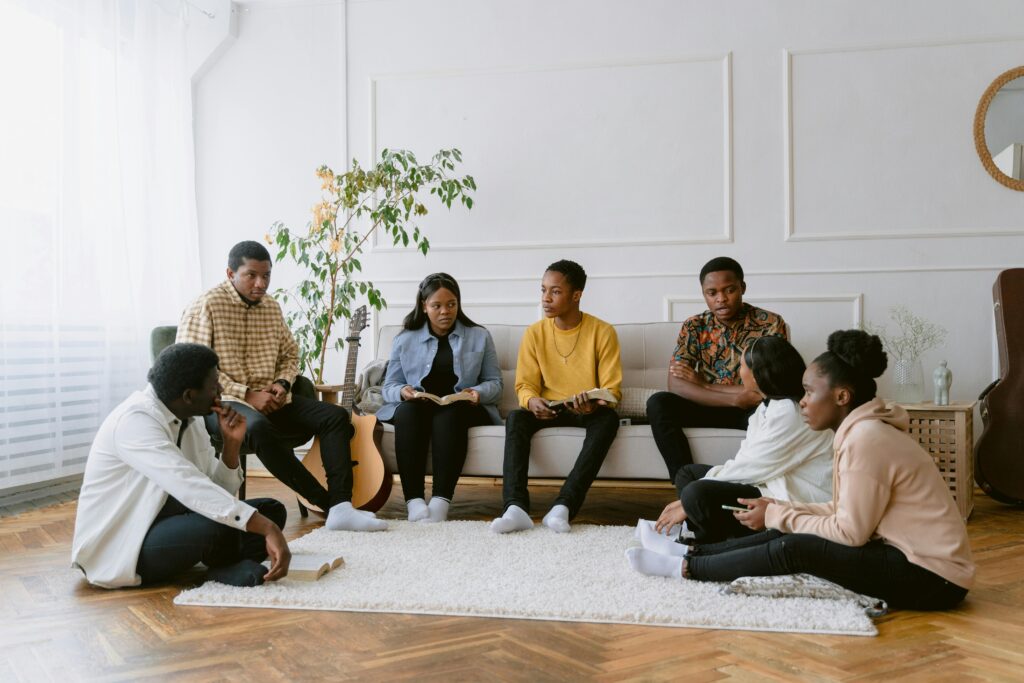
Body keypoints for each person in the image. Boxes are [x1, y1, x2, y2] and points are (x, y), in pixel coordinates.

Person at [627, 330, 976, 611]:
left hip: (933, 578)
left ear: (841, 397)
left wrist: (782, 515)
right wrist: (780, 512)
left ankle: (687, 568)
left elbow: (850, 532)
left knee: (795, 547)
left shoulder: (867, 438)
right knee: (785, 526)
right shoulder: (859, 431)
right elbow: (844, 513)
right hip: (900, 552)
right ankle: (692, 553)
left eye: (809, 392)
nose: (803, 401)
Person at [177, 240, 385, 532]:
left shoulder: (271, 308)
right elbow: (193, 368)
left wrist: (282, 384)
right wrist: (247, 395)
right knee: (258, 427)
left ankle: (341, 505)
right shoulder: (206, 305)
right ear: (230, 273)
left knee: (336, 416)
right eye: (251, 275)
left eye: (266, 276)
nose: (261, 283)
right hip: (222, 404)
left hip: (272, 399)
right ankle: (328, 504)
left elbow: (290, 353)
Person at [71, 343, 291, 588]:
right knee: (223, 523)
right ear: (189, 395)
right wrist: (266, 528)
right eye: (214, 384)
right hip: (127, 543)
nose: (220, 390)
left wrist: (231, 446)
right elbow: (191, 488)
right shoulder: (135, 422)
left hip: (174, 521)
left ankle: (222, 565)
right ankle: (223, 566)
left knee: (271, 510)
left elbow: (217, 493)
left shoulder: (190, 419)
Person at [637, 336, 833, 551]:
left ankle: (710, 543)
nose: (739, 372)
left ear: (757, 375)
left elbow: (750, 468)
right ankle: (710, 537)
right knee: (688, 474)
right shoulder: (767, 408)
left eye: (741, 366)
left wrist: (687, 500)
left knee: (696, 492)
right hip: (766, 481)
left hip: (789, 496)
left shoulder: (790, 412)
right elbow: (745, 460)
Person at [491, 260, 622, 534]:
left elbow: (612, 390)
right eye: (543, 290)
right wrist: (532, 401)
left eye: (555, 292)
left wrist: (593, 403)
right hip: (547, 409)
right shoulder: (534, 333)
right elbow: (524, 385)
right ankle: (515, 508)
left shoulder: (603, 332)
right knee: (516, 417)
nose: (545, 299)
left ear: (577, 295)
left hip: (586, 410)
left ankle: (563, 507)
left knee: (608, 419)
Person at [646, 257, 789, 491]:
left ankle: (755, 490)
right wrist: (734, 397)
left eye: (729, 290)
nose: (721, 299)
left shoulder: (769, 324)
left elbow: (768, 386)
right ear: (704, 294)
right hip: (709, 406)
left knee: (772, 410)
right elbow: (676, 383)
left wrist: (703, 384)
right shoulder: (694, 326)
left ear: (742, 288)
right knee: (659, 402)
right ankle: (686, 485)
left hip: (751, 409)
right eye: (712, 293)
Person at [377, 273, 503, 522]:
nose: (445, 311)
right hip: (420, 405)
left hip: (462, 407)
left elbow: (496, 384)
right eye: (437, 306)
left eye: (451, 304)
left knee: (449, 413)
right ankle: (413, 501)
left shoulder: (479, 336)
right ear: (424, 306)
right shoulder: (405, 339)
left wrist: (477, 393)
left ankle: (440, 501)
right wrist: (403, 392)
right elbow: (389, 385)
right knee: (407, 412)